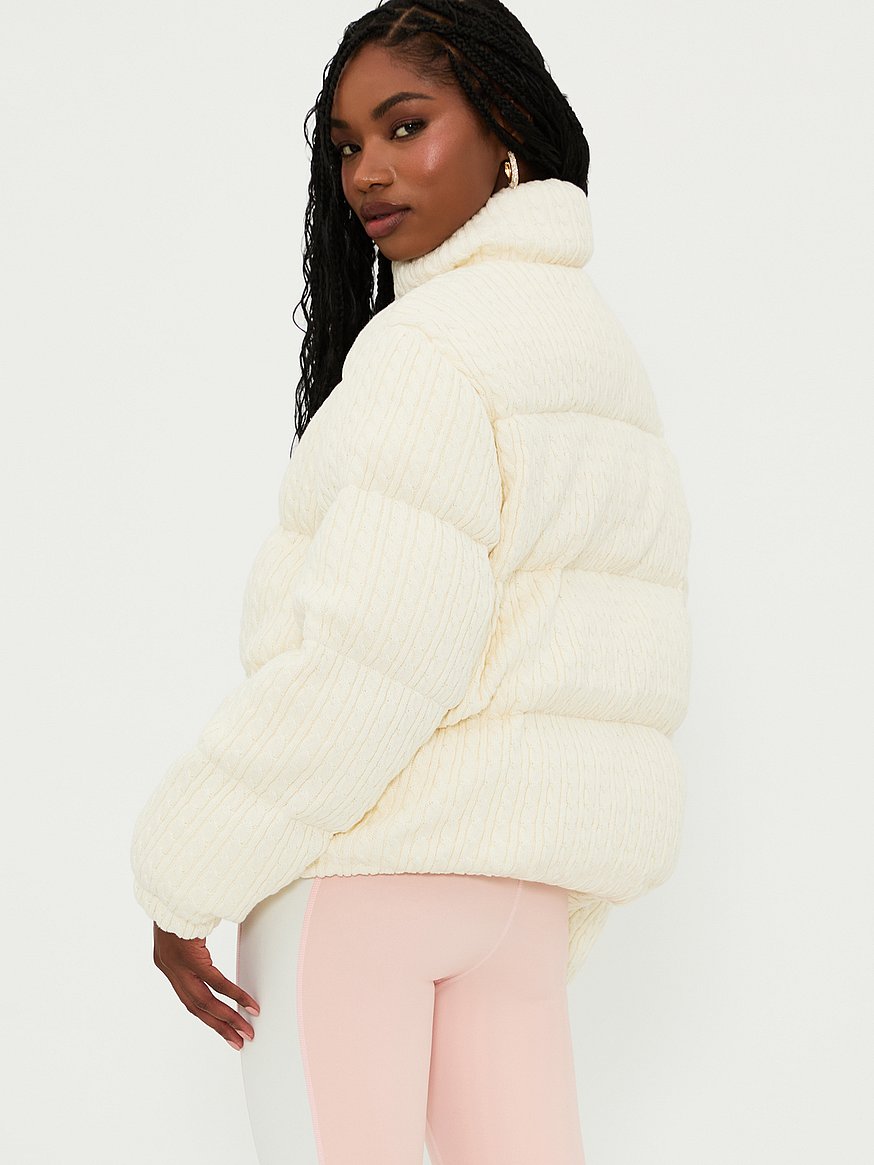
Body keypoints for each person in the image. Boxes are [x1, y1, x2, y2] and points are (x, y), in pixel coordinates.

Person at [129, 1, 693, 1161]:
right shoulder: (600, 352)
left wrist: (184, 870)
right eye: (347, 146)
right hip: (520, 902)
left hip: (368, 888)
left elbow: (375, 657)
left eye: (404, 126)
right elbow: (620, 654)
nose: (366, 174)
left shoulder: (429, 348)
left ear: (505, 123)